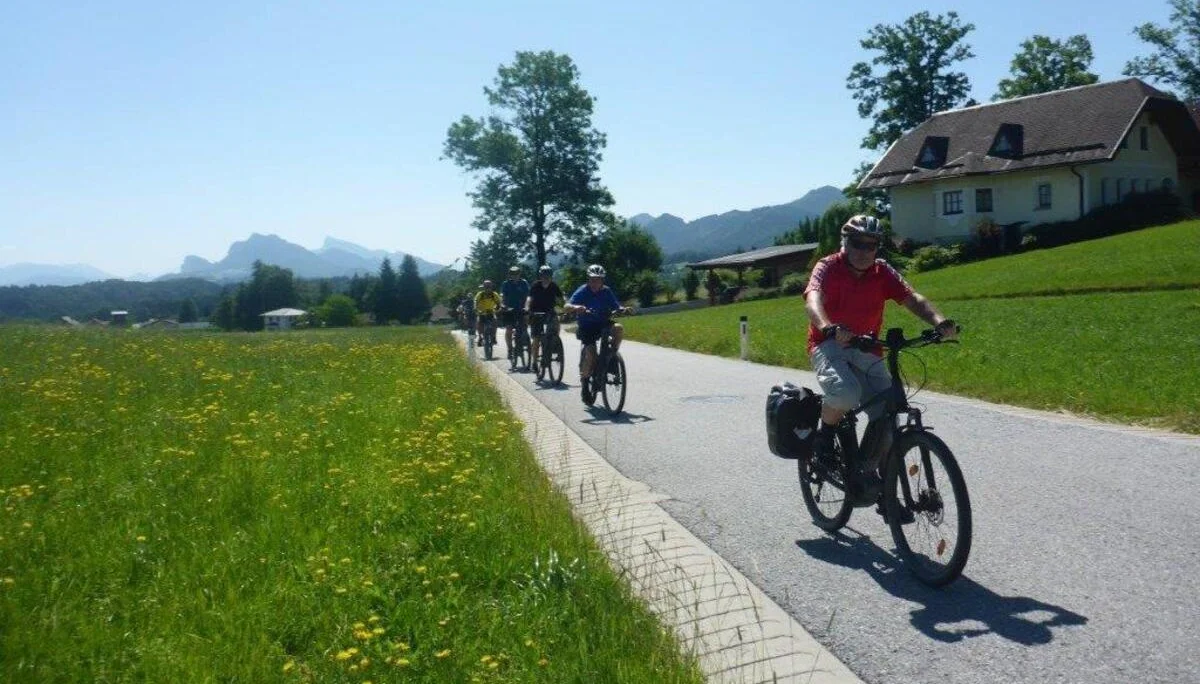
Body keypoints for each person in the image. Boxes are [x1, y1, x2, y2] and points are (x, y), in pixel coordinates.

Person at [804, 214, 957, 497]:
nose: (864, 251)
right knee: (847, 393)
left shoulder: (881, 271)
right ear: (845, 243)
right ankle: (824, 438)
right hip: (829, 344)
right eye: (858, 243)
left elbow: (913, 298)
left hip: (867, 346)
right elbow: (813, 301)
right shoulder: (827, 267)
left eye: (871, 245)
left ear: (878, 248)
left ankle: (875, 481)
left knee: (887, 413)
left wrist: (939, 322)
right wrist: (828, 327)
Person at [564, 264, 629, 401]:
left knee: (618, 328)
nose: (595, 282)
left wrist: (623, 309)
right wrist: (577, 307)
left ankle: (611, 356)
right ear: (588, 280)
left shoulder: (606, 291)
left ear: (602, 281)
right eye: (593, 279)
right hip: (587, 327)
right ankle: (585, 383)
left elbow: (616, 306)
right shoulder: (583, 290)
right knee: (591, 355)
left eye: (598, 279)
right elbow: (567, 306)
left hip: (603, 323)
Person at [526, 264, 564, 364]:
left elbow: (561, 299)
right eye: (544, 276)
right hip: (536, 312)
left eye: (548, 276)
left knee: (556, 323)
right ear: (540, 276)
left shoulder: (554, 286)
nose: (546, 278)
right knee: (536, 338)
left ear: (551, 276)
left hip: (549, 311)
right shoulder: (535, 285)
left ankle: (555, 343)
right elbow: (529, 298)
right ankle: (534, 361)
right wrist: (527, 308)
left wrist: (564, 308)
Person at [500, 265, 531, 353]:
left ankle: (524, 338)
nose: (515, 275)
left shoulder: (524, 283)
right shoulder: (506, 284)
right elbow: (502, 295)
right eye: (512, 274)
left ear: (519, 274)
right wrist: (503, 305)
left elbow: (528, 295)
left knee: (524, 324)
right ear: (510, 275)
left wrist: (527, 306)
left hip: (522, 308)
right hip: (509, 309)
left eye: (516, 273)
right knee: (509, 329)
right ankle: (510, 348)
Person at [473, 280, 501, 346]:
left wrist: (498, 308)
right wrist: (475, 308)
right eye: (486, 286)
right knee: (479, 322)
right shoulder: (480, 294)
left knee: (495, 321)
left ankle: (493, 337)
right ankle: (480, 337)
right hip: (481, 312)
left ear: (491, 287)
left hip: (491, 311)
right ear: (484, 287)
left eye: (489, 286)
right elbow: (475, 301)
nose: (487, 288)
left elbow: (499, 303)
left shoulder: (494, 294)